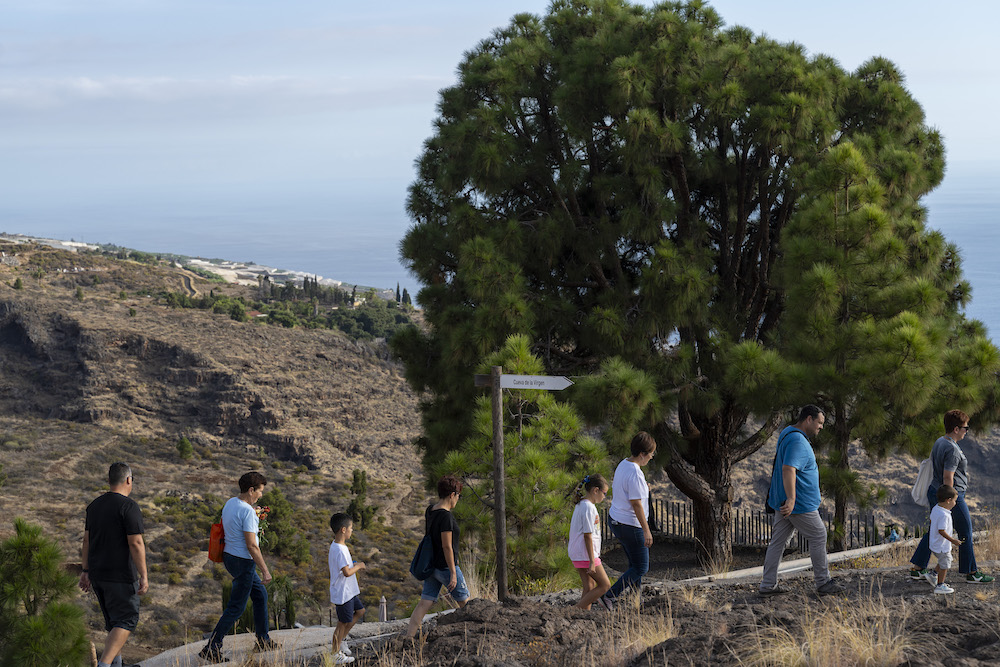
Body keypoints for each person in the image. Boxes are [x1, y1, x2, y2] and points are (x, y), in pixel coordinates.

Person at [759, 405, 843, 596]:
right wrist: (791, 499)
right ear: (808, 419)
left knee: (778, 542)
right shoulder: (798, 441)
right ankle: (823, 582)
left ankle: (767, 585)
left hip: (784, 502)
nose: (821, 427)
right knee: (819, 535)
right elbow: (788, 469)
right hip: (798, 505)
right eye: (819, 423)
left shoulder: (788, 432)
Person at [200, 472, 278, 663]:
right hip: (243, 562)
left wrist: (252, 513)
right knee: (236, 607)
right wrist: (265, 570)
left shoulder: (231, 503)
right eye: (260, 491)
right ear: (251, 490)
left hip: (230, 557)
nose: (261, 495)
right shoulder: (248, 512)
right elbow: (252, 546)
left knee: (260, 596)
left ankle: (263, 640)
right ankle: (212, 647)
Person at [909, 410, 994, 584]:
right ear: (956, 429)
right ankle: (972, 572)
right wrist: (952, 500)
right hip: (950, 495)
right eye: (965, 428)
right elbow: (948, 477)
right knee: (965, 532)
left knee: (935, 529)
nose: (966, 431)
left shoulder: (940, 441)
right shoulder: (952, 449)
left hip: (935, 490)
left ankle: (917, 569)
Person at [79, 462, 148, 667]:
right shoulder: (129, 506)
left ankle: (117, 663)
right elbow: (136, 543)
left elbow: (86, 541)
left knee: (114, 623)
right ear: (128, 480)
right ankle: (105, 664)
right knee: (127, 620)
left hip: (98, 575)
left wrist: (85, 570)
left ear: (109, 480)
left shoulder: (94, 506)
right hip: (121, 575)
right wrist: (144, 575)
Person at [405, 475, 471, 639]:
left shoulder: (430, 511)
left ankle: (408, 638)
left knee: (424, 603)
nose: (458, 499)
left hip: (431, 567)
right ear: (452, 495)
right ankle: (473, 636)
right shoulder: (446, 516)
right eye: (458, 496)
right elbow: (446, 546)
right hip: (445, 567)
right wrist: (453, 573)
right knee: (466, 604)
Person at [604, 432, 656, 602]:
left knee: (634, 563)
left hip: (616, 520)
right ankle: (609, 596)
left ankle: (635, 598)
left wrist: (644, 489)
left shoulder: (624, 464)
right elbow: (636, 504)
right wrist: (646, 530)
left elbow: (627, 490)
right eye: (651, 453)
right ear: (642, 454)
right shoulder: (635, 473)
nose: (652, 457)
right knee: (641, 567)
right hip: (630, 525)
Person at [568, 474, 612, 610]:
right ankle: (574, 610)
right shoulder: (588, 507)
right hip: (586, 554)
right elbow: (587, 535)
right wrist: (592, 561)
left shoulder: (581, 504)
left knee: (589, 586)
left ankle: (582, 615)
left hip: (578, 553)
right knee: (605, 585)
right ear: (595, 490)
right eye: (604, 493)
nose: (604, 497)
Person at [329, 512, 365, 665]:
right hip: (343, 592)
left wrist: (353, 565)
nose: (352, 531)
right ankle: (335, 654)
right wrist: (359, 566)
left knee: (360, 611)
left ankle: (342, 640)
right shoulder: (339, 549)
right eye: (351, 528)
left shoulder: (339, 546)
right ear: (343, 529)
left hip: (348, 591)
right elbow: (347, 572)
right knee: (342, 623)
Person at [924, 485, 962, 595]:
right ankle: (940, 586)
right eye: (954, 500)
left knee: (943, 560)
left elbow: (932, 521)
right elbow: (941, 531)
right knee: (945, 563)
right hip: (942, 545)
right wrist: (953, 540)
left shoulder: (936, 508)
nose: (955, 503)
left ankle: (933, 574)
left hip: (935, 543)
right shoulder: (944, 515)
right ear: (948, 500)